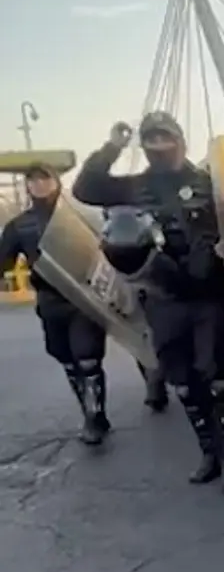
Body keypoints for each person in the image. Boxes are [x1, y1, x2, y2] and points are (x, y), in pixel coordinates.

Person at [72, 112, 224, 491]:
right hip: (162, 297)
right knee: (181, 379)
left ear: (181, 141)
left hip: (207, 295)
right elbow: (85, 189)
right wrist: (113, 147)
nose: (158, 145)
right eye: (150, 140)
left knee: (218, 375)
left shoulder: (208, 181)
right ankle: (209, 453)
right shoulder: (135, 187)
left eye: (165, 138)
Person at [0, 163, 112, 445]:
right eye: (33, 180)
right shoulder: (19, 225)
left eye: (44, 178)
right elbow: (3, 262)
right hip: (49, 301)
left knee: (88, 357)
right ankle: (90, 410)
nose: (39, 185)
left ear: (57, 182)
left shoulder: (76, 215)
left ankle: (94, 418)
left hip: (83, 299)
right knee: (67, 359)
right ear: (27, 186)